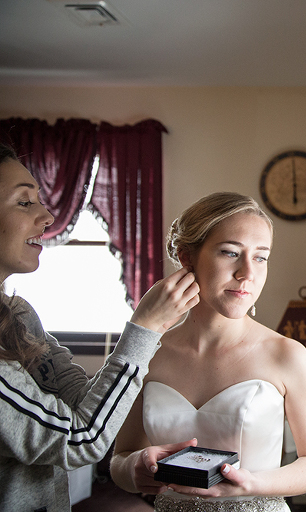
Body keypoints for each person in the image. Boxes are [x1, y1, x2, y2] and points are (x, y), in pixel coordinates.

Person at [0, 142, 201, 512]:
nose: (47, 216)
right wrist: (144, 327)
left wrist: (146, 336)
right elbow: (81, 439)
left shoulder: (18, 316)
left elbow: (80, 403)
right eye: (24, 202)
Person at [110, 192, 306, 512]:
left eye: (260, 257)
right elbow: (119, 460)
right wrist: (134, 467)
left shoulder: (286, 355)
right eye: (230, 252)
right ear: (187, 257)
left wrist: (253, 485)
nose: (247, 273)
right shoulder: (150, 355)